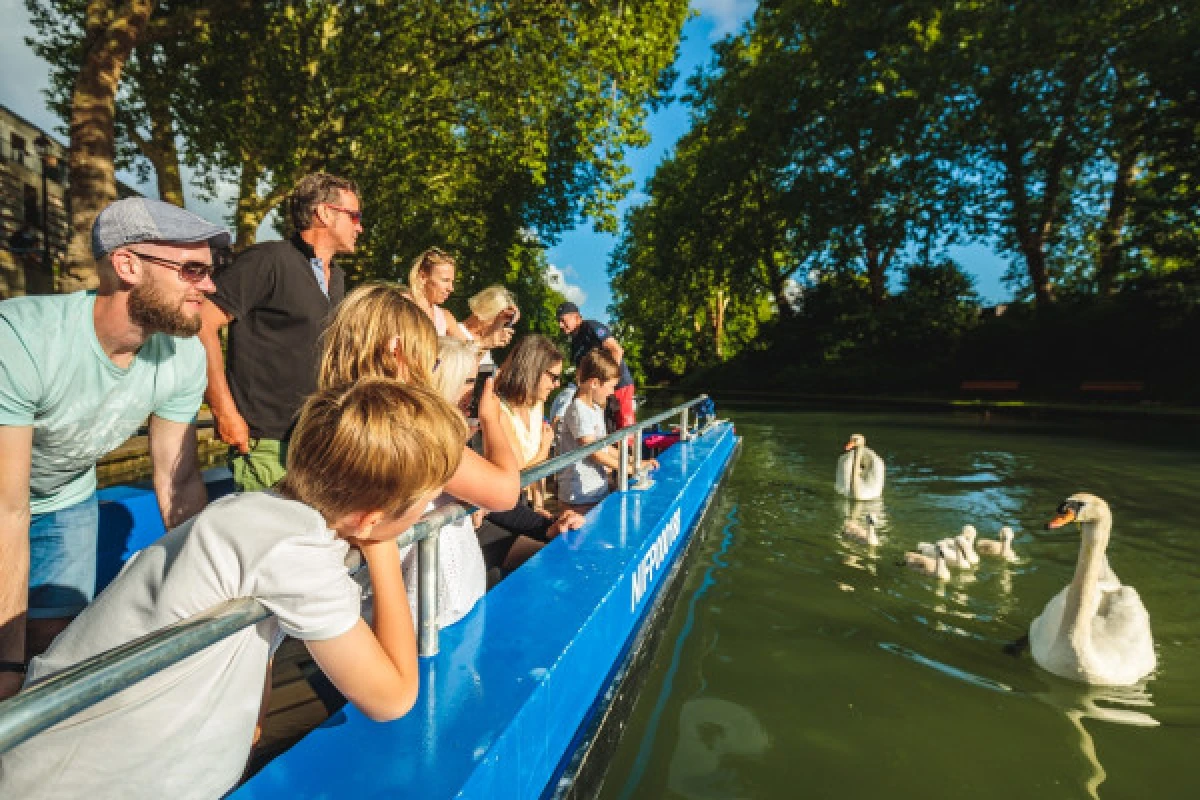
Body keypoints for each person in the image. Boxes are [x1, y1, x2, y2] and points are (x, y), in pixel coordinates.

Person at [0, 379, 465, 799]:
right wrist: (382, 552)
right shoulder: (294, 548)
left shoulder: (266, 515)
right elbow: (392, 698)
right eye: (425, 502)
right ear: (370, 518)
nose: (427, 512)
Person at [0, 198, 226, 700]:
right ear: (127, 266)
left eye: (211, 272)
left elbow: (180, 481)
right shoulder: (22, 338)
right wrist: (6, 664)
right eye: (193, 270)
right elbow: (7, 508)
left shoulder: (183, 354)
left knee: (55, 645)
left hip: (65, 500)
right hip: (5, 503)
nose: (209, 287)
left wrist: (212, 597)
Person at [198, 172, 360, 492]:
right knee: (269, 541)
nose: (360, 226)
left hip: (318, 443)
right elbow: (201, 323)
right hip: (267, 444)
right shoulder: (268, 260)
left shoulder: (338, 278)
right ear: (325, 213)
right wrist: (224, 410)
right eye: (354, 216)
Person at [316, 284, 521, 514]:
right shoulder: (407, 430)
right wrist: (491, 420)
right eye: (427, 353)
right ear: (396, 352)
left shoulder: (323, 416)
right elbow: (505, 493)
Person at [399, 336, 489, 629]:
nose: (473, 392)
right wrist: (492, 421)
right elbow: (504, 493)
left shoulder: (448, 437)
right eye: (469, 381)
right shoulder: (432, 441)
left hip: (455, 594)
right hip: (428, 607)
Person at [484, 335, 584, 572]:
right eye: (553, 377)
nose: (557, 384)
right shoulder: (498, 409)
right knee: (554, 562)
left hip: (521, 505)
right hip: (496, 513)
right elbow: (515, 473)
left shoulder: (536, 404)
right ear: (533, 369)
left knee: (567, 544)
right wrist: (544, 449)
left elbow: (531, 475)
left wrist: (539, 508)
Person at [557, 350, 656, 513]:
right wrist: (630, 470)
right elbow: (593, 451)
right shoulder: (578, 410)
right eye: (610, 387)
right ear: (594, 383)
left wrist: (635, 461)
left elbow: (605, 447)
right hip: (579, 497)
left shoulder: (595, 408)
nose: (612, 392)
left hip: (595, 491)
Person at [556, 301, 637, 429]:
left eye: (562, 320)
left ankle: (630, 448)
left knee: (625, 426)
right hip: (598, 391)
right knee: (605, 427)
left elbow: (616, 350)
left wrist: (609, 380)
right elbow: (580, 372)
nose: (560, 325)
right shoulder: (574, 343)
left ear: (575, 316)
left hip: (619, 384)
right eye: (558, 321)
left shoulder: (591, 327)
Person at [407, 247, 467, 339]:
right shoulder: (399, 306)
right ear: (423, 277)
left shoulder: (445, 317)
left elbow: (469, 349)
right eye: (445, 280)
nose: (451, 288)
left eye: (452, 282)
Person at [459, 284, 519, 365]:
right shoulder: (455, 330)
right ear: (487, 312)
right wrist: (485, 344)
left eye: (505, 321)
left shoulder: (484, 339)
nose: (501, 325)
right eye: (499, 318)